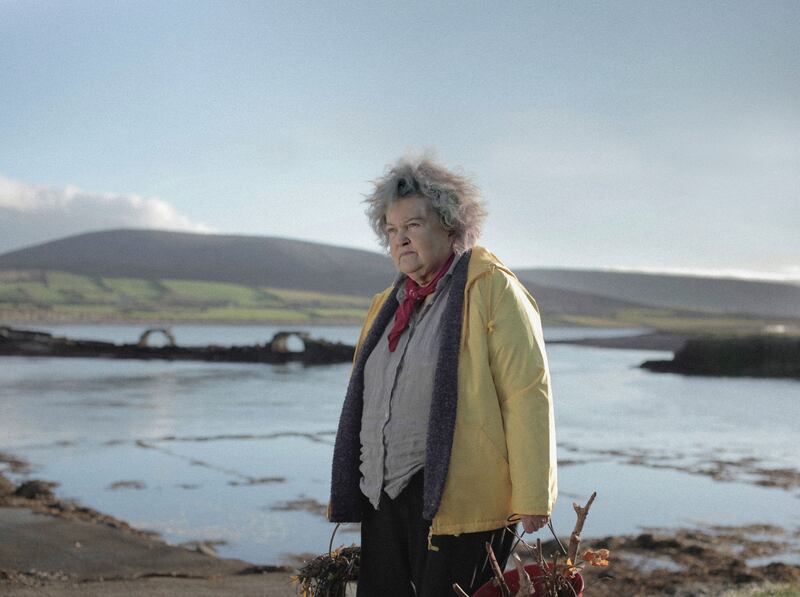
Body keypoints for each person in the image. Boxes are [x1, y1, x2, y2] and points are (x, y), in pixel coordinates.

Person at [329, 155, 557, 596]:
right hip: (383, 496)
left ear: (451, 225)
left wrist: (533, 493)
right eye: (392, 231)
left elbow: (527, 392)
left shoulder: (492, 288)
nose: (401, 239)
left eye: (413, 225)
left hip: (463, 502)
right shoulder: (385, 305)